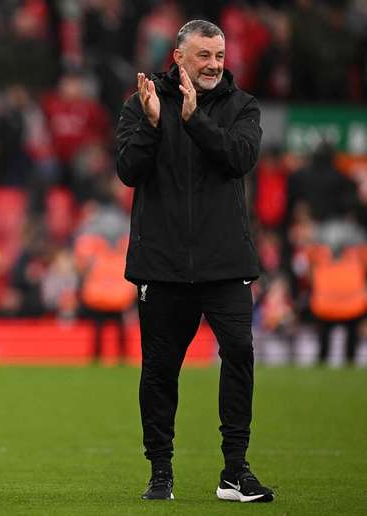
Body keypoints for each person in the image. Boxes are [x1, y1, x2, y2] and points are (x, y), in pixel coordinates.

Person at [116, 20, 274, 503]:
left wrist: (192, 120)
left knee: (240, 355)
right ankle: (160, 471)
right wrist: (152, 124)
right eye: (203, 55)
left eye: (219, 55)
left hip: (224, 263)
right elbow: (128, 170)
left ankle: (234, 471)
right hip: (162, 265)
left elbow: (238, 158)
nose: (213, 65)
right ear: (178, 57)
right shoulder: (142, 102)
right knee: (160, 370)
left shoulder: (241, 106)